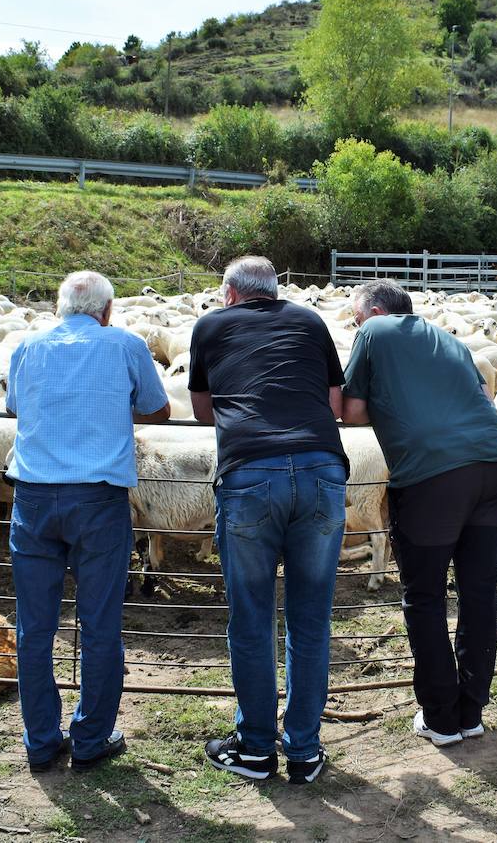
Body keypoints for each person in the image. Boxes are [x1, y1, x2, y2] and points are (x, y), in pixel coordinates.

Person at [188, 256, 347, 785]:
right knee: (311, 618)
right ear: (275, 291)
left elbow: (204, 410)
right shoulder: (308, 320)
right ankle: (303, 750)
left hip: (250, 475)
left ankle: (256, 748)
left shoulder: (210, 325)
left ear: (230, 293)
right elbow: (332, 401)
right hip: (323, 469)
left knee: (252, 616)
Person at [341, 280, 497, 747]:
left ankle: (441, 718)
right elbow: (483, 396)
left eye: (355, 319)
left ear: (375, 312)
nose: (356, 327)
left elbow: (353, 412)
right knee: (479, 591)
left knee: (425, 596)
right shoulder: (450, 339)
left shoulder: (374, 333)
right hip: (496, 464)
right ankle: (471, 711)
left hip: (434, 477)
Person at [5, 270, 170, 773]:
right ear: (107, 310)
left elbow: (15, 406)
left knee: (35, 626)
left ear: (60, 307)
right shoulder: (125, 344)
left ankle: (39, 741)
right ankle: (91, 738)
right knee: (99, 623)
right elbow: (158, 411)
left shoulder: (27, 346)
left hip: (32, 498)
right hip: (98, 499)